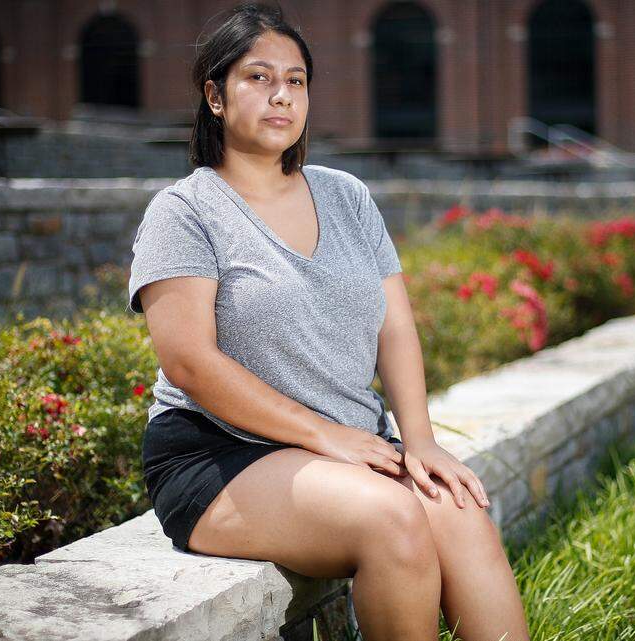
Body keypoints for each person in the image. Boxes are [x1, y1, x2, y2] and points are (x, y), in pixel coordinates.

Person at [126, 4, 531, 640]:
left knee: (458, 507)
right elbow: (190, 364)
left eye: (295, 80)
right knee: (392, 520)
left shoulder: (347, 196)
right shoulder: (184, 212)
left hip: (341, 447)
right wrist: (329, 437)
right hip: (219, 454)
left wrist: (419, 441)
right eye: (258, 78)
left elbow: (394, 326)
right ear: (214, 95)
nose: (280, 95)